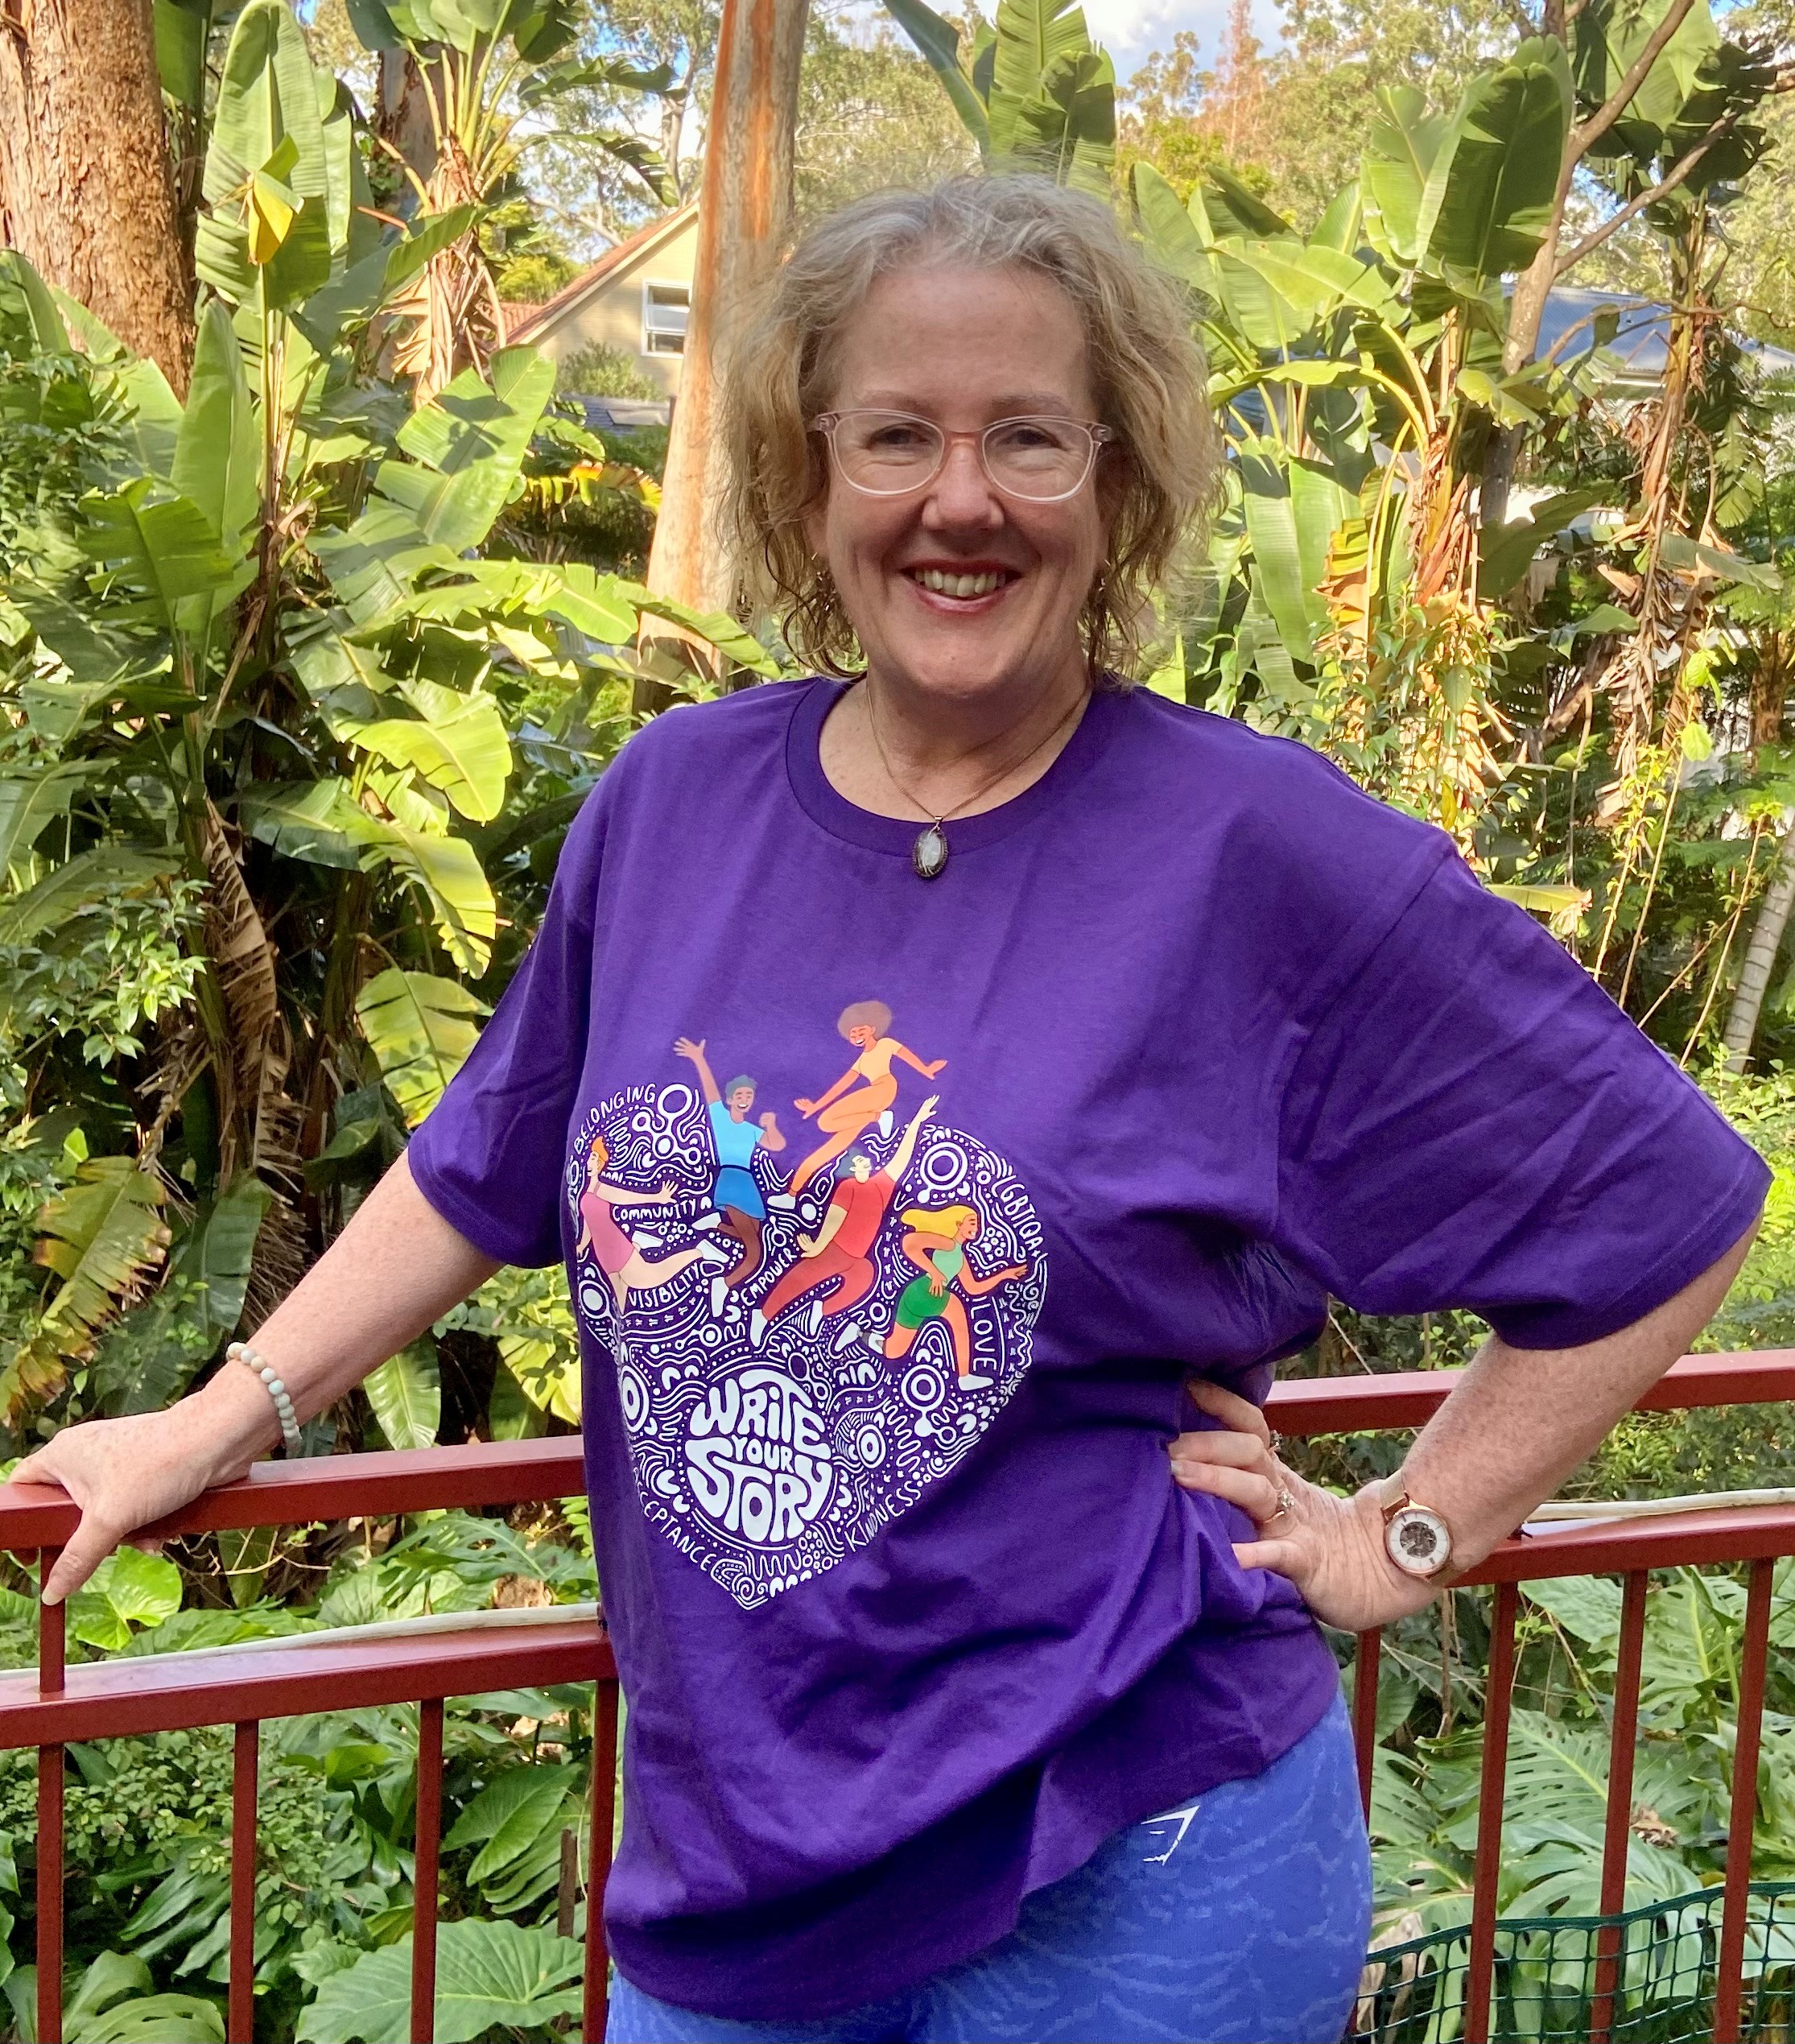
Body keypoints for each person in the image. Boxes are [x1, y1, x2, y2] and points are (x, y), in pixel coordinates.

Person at [11, 177, 1767, 2044]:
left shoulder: (1255, 847)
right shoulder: (672, 803)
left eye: (1026, 435)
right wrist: (211, 1415)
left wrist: (1403, 1532)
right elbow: (484, 1160)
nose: (959, 497)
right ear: (806, 474)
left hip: (1140, 1849)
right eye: (897, 435)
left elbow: (1663, 1194)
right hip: (735, 1858)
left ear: (1116, 481)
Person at [752, 1094, 936, 1348]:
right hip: (836, 1250)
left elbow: (901, 1159)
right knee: (799, 1280)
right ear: (851, 1168)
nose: (865, 1163)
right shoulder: (848, 1187)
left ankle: (820, 1311)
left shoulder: (880, 1186)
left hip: (857, 1258)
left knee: (864, 1278)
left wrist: (916, 1121)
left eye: (866, 1162)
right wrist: (818, 1246)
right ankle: (762, 1315)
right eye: (858, 1162)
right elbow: (834, 1218)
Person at [781, 999, 946, 1198]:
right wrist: (815, 1106)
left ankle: (879, 1118)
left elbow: (906, 1056)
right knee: (830, 1149)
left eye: (861, 1031)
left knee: (826, 1122)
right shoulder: (860, 1062)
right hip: (871, 1101)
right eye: (853, 1034)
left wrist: (927, 1070)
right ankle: (791, 1195)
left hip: (883, 1089)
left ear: (873, 1029)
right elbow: (840, 1086)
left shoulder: (886, 1044)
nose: (857, 1036)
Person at [673, 1035, 786, 1313]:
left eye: (749, 1096)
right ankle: (723, 1284)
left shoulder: (750, 1129)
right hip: (732, 1181)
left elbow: (778, 1145)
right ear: (730, 1099)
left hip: (748, 1184)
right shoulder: (721, 1119)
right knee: (755, 1253)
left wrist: (770, 1125)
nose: (744, 1099)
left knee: (754, 1234)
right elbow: (710, 1090)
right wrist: (699, 1059)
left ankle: (713, 1224)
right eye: (739, 1095)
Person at [576, 1133, 724, 1317]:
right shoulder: (586, 1192)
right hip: (602, 1252)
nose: (589, 1161)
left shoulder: (601, 1189)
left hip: (616, 1245)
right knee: (619, 1297)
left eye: (593, 1157)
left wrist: (657, 1198)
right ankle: (638, 1243)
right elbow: (589, 1223)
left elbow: (628, 1198)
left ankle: (698, 1252)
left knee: (649, 1277)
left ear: (599, 1162)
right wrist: (582, 1245)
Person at [881, 1202, 1028, 1389]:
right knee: (958, 1311)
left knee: (893, 1350)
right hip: (928, 1292)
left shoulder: (959, 1255)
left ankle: (858, 1333)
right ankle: (964, 1377)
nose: (977, 1228)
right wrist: (934, 1271)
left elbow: (973, 1288)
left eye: (978, 1224)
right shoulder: (948, 1243)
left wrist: (1003, 1275)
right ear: (959, 1225)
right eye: (972, 1223)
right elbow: (909, 1243)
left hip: (915, 1296)